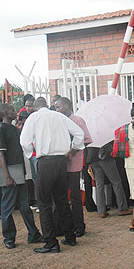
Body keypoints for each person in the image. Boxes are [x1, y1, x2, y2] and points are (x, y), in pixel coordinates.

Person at [20, 97, 85, 253]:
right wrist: (72, 149)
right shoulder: (59, 116)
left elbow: (24, 141)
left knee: (44, 203)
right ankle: (70, 237)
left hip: (45, 161)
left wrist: (31, 154)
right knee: (62, 199)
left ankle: (51, 242)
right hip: (61, 161)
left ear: (35, 108)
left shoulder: (34, 118)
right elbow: (79, 133)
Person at [0, 104, 42, 249]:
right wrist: (6, 176)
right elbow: (1, 153)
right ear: (5, 113)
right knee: (7, 206)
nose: (15, 112)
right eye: (12, 110)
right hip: (10, 172)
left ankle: (33, 234)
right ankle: (9, 237)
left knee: (25, 205)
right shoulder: (2, 129)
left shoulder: (12, 129)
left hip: (18, 170)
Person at [55, 97, 92, 237]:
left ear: (66, 105)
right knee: (61, 196)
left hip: (73, 165)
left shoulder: (77, 121)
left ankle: (79, 226)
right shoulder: (58, 121)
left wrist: (73, 151)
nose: (56, 110)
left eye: (58, 107)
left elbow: (87, 140)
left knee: (75, 197)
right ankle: (63, 226)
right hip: (60, 165)